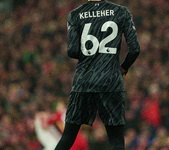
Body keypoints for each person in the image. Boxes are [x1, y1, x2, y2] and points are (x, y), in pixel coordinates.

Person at [54, 0, 140, 149]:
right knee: (117, 141)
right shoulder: (121, 11)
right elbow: (135, 49)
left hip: (84, 81)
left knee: (67, 137)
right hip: (111, 80)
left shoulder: (75, 14)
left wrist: (91, 56)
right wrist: (123, 68)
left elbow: (72, 50)